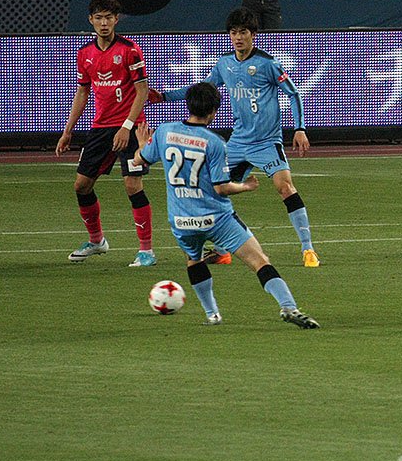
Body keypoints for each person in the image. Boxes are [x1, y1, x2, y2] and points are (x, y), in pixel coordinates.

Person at [133, 82, 319, 328]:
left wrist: (141, 145)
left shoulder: (165, 132)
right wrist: (246, 186)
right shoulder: (214, 143)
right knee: (259, 261)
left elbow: (139, 160)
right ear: (213, 112)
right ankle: (288, 306)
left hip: (181, 221)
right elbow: (221, 188)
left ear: (188, 105)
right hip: (217, 219)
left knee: (194, 260)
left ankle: (212, 314)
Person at [148, 8, 319, 267]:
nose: (238, 37)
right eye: (234, 32)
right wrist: (164, 96)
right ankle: (221, 250)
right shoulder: (224, 64)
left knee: (285, 187)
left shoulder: (268, 64)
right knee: (214, 189)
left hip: (267, 143)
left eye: (243, 32)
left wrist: (300, 128)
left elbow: (293, 94)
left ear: (253, 35)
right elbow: (202, 90)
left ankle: (308, 249)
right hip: (238, 143)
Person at [55, 0, 156, 267]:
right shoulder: (85, 54)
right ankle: (97, 241)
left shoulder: (130, 50)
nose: (103, 23)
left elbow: (142, 90)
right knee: (81, 185)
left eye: (108, 17)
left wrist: (126, 126)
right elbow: (82, 92)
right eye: (98, 18)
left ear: (116, 19)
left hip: (131, 127)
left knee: (132, 185)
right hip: (101, 127)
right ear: (91, 20)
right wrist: (68, 131)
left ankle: (146, 251)